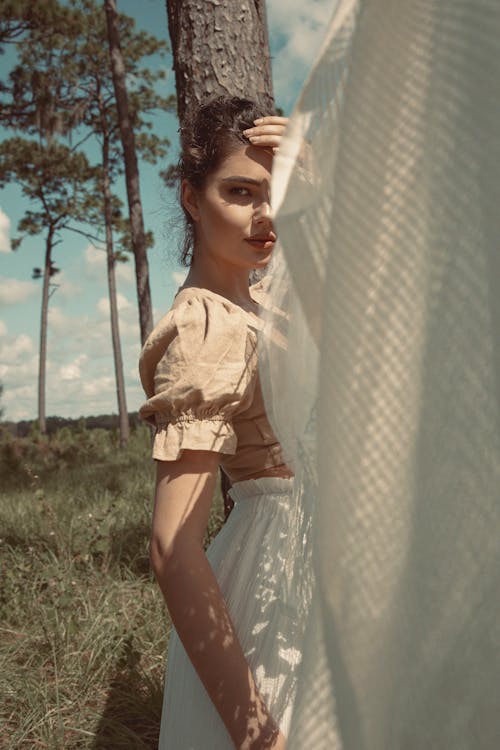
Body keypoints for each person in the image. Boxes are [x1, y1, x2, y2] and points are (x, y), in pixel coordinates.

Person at [139, 97, 302, 749]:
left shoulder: (268, 303)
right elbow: (171, 546)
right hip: (272, 592)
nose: (267, 216)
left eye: (281, 194)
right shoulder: (209, 327)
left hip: (313, 575)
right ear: (191, 197)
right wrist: (256, 730)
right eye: (241, 191)